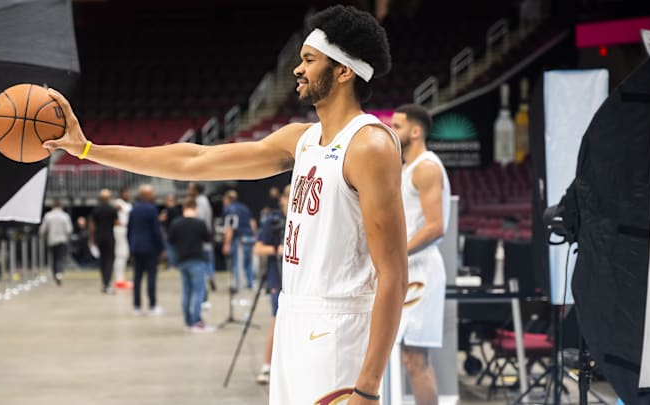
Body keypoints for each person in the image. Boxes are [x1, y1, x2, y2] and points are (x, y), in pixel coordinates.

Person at [45, 5, 407, 403]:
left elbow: (392, 272)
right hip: (292, 316)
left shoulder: (369, 144)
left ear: (344, 71)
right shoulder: (301, 139)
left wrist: (368, 388)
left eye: (308, 60)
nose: (297, 70)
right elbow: (194, 160)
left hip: (339, 327)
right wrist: (86, 149)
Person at [390, 104, 451, 405]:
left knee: (415, 359)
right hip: (403, 267)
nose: (392, 130)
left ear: (415, 132)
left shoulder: (426, 167)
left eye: (397, 126)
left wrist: (395, 254)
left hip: (421, 270)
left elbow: (436, 227)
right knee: (401, 358)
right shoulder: (402, 169)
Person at [254, 185, 288, 385]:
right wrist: (279, 249)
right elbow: (258, 249)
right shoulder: (272, 222)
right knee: (277, 323)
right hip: (278, 278)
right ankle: (267, 366)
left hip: (299, 282)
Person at [168, 197, 214, 332]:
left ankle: (188, 320)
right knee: (199, 292)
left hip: (182, 260)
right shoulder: (200, 223)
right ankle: (196, 320)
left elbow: (171, 242)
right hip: (197, 260)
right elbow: (207, 239)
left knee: (186, 291)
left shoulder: (176, 223)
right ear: (196, 208)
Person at [128, 184, 165, 316]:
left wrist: (131, 247)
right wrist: (161, 248)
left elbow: (129, 230)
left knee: (137, 278)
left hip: (136, 248)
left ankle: (136, 307)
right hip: (150, 248)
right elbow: (156, 231)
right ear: (147, 195)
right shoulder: (152, 209)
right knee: (151, 277)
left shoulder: (134, 209)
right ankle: (152, 306)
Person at [222, 190, 257, 292]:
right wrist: (254, 236)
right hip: (249, 238)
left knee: (238, 263)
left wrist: (226, 244)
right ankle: (250, 284)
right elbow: (252, 222)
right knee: (249, 262)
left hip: (239, 239)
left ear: (228, 199)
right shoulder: (244, 208)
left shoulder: (229, 209)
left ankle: (238, 286)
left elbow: (230, 228)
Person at [187, 182, 216, 300]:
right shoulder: (205, 200)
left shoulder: (200, 201)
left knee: (202, 263)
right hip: (205, 237)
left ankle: (205, 282)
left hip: (201, 238)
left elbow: (200, 220)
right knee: (208, 260)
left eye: (191, 188)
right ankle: (210, 276)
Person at [89, 189, 118, 294]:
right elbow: (116, 222)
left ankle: (104, 282)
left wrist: (91, 239)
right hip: (109, 237)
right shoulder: (112, 209)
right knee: (109, 260)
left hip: (99, 237)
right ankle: (107, 283)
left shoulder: (96, 209)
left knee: (102, 261)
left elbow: (92, 225)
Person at [38, 199, 73, 286]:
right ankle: (59, 273)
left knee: (53, 258)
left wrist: (42, 236)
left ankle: (55, 273)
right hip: (62, 240)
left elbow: (42, 229)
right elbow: (69, 229)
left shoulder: (48, 216)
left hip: (51, 240)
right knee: (61, 257)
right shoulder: (65, 216)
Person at [113, 187, 133, 289]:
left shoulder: (128, 204)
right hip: (120, 229)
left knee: (124, 254)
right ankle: (119, 280)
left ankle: (121, 279)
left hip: (127, 229)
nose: (128, 194)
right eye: (126, 193)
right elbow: (114, 210)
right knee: (121, 254)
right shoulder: (119, 202)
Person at [159, 193, 181, 270]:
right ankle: (175, 264)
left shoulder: (168, 210)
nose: (167, 202)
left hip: (169, 233)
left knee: (170, 249)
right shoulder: (177, 210)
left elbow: (162, 219)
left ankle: (172, 265)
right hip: (175, 233)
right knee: (174, 249)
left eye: (169, 200)